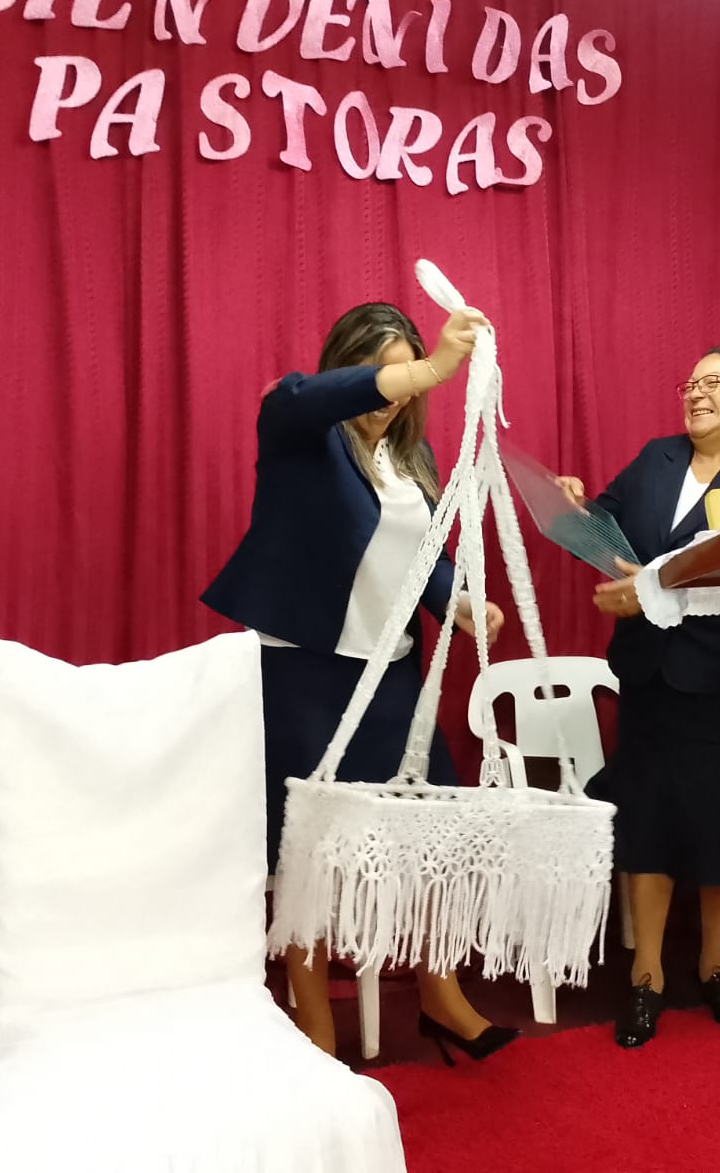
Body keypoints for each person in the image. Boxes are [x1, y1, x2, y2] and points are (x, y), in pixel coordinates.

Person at [202, 301, 516, 1065]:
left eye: (412, 380)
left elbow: (419, 559)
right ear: (347, 369)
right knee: (308, 853)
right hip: (305, 673)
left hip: (390, 674)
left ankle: (440, 995)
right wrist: (432, 366)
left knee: (431, 832)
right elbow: (302, 396)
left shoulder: (410, 459)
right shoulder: (299, 427)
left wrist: (459, 604)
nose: (399, 395)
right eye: (386, 375)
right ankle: (314, 1022)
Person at [556, 347, 720, 1049]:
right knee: (651, 825)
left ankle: (716, 963)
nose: (696, 393)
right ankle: (646, 974)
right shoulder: (655, 459)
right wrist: (573, 506)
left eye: (714, 382)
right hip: (654, 677)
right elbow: (598, 530)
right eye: (690, 384)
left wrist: (651, 588)